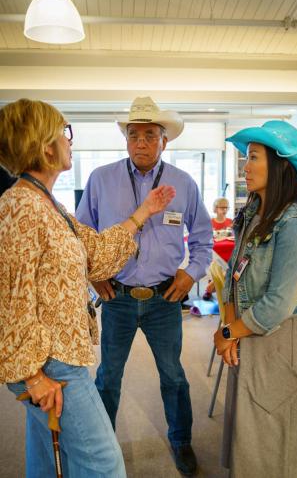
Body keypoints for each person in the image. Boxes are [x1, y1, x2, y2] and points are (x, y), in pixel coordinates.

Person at [0, 98, 176, 478]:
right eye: (65, 133)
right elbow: (9, 300)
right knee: (104, 464)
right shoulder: (21, 207)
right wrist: (32, 376)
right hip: (51, 362)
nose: (70, 141)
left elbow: (94, 253)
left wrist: (143, 212)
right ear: (46, 145)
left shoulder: (45, 203)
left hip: (59, 353)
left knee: (48, 456)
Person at [76, 96, 212, 476]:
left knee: (173, 376)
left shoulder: (183, 184)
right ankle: (101, 446)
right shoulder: (101, 178)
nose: (140, 142)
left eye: (149, 135)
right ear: (125, 139)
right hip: (116, 297)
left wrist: (191, 273)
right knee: (108, 378)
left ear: (163, 140)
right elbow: (83, 234)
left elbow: (202, 239)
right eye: (133, 135)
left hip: (164, 298)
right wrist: (94, 272)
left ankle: (181, 440)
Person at [214, 120, 297, 478]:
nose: (246, 167)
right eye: (247, 157)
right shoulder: (253, 214)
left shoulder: (295, 224)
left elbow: (278, 304)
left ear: (280, 166)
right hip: (249, 333)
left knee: (277, 439)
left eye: (254, 157)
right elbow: (233, 276)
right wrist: (229, 325)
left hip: (280, 343)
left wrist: (229, 334)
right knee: (251, 434)